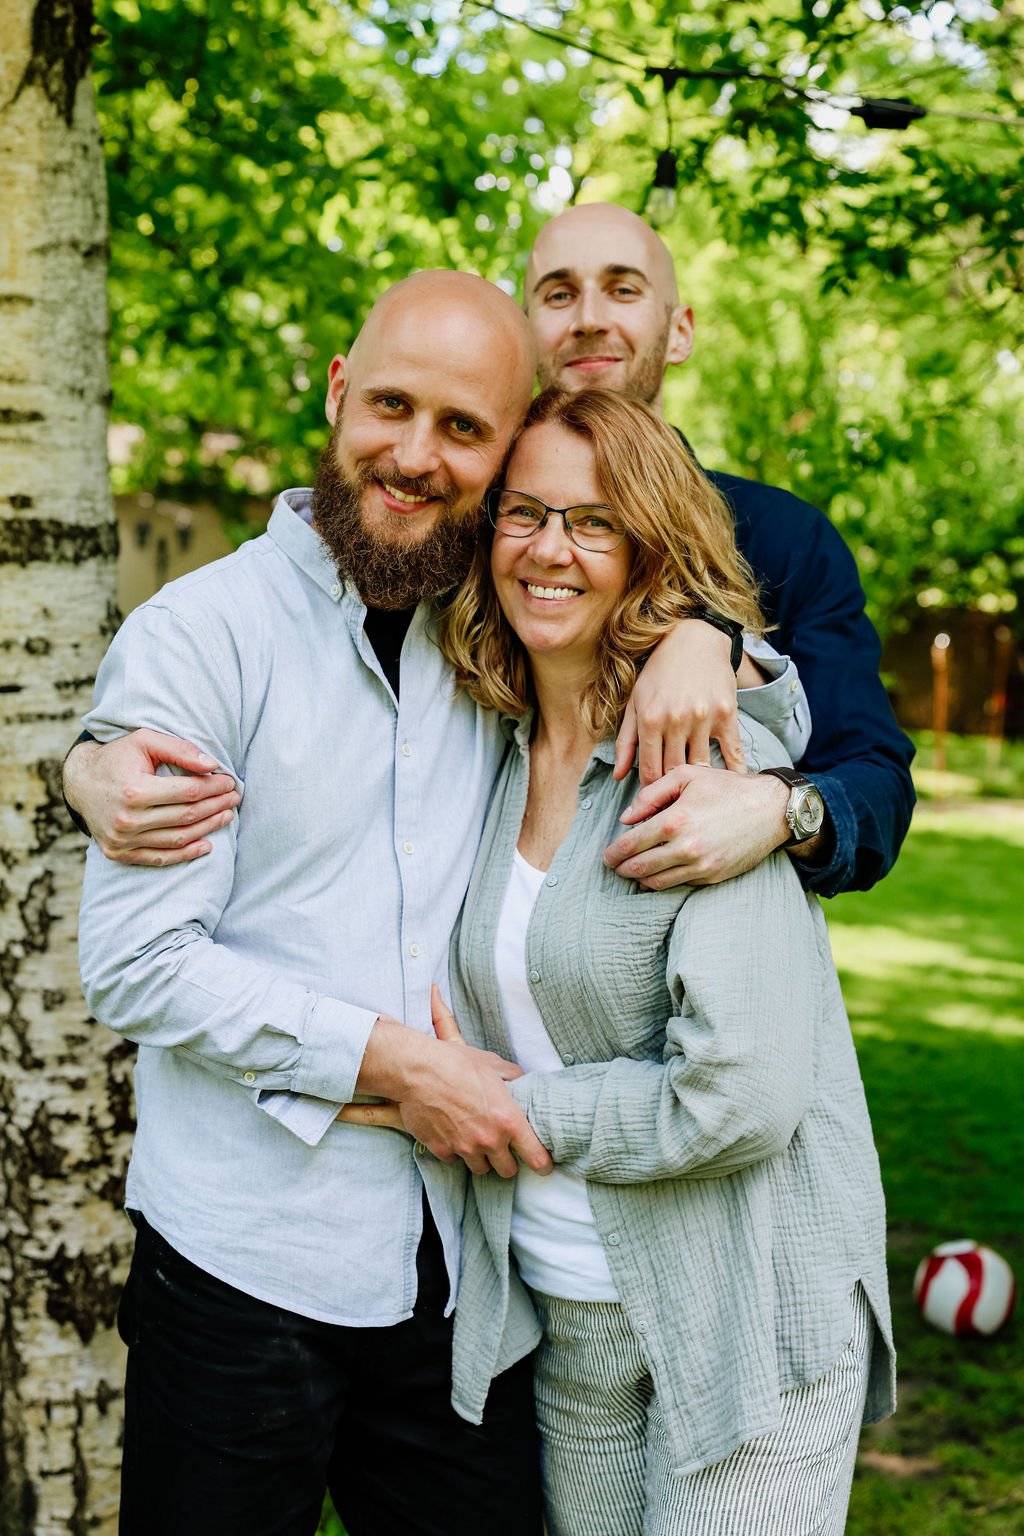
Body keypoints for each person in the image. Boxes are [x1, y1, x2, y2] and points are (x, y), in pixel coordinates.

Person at [76, 271, 806, 1536]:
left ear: (505, 449)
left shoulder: (490, 630)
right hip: (244, 1262)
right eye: (391, 407)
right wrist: (400, 1066)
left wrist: (709, 635)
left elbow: (683, 626)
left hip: (466, 1281)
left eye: (463, 428)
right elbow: (138, 962)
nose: (415, 456)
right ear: (336, 393)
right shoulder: (202, 634)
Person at [346, 386, 894, 1535]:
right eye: (525, 513)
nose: (550, 549)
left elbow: (739, 1097)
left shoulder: (705, 764)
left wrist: (498, 1111)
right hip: (565, 1314)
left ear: (651, 551)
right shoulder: (484, 749)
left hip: (743, 1311)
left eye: (595, 522)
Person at [62, 205, 914, 900]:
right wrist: (86, 764)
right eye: (557, 293)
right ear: (528, 339)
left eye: (623, 289)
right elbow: (293, 626)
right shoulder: (468, 518)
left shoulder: (782, 538)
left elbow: (875, 779)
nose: (590, 317)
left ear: (679, 329)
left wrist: (774, 801)